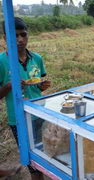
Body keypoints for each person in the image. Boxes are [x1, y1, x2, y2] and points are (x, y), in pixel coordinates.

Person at [0, 17, 51, 180]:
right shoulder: (2, 62)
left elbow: (38, 84)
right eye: (14, 36)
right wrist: (8, 86)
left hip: (40, 114)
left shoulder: (36, 58)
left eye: (23, 35)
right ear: (5, 38)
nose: (20, 40)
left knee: (46, 153)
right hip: (19, 119)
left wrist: (42, 86)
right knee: (32, 162)